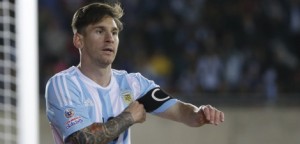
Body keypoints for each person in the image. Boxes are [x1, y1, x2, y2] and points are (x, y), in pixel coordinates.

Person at [45, 2, 225, 144]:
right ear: (78, 40)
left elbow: (179, 110)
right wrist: (128, 117)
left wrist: (198, 114)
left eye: (114, 33)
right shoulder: (63, 84)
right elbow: (83, 139)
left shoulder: (133, 84)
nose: (110, 38)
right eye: (99, 31)